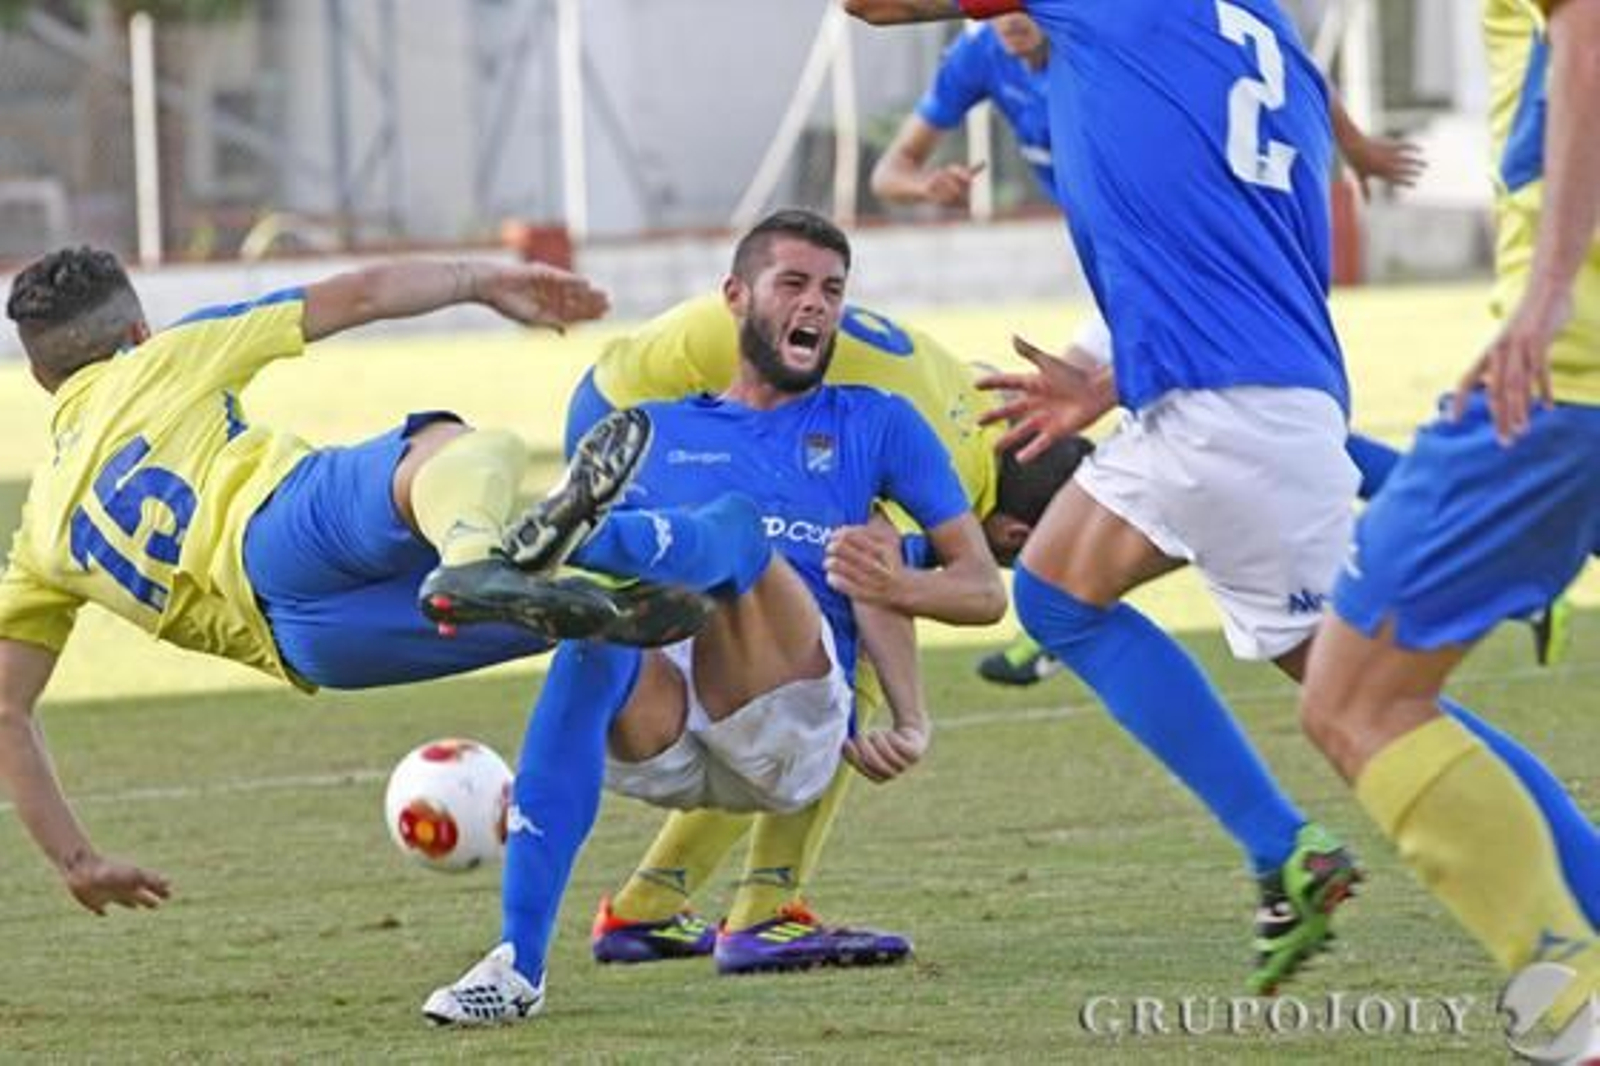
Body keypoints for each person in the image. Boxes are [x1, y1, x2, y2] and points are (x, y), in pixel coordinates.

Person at [844, 0, 1600, 995]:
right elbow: (1212, 225)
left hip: (1235, 422)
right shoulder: (1264, 26)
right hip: (1225, 394)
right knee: (1059, 594)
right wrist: (1119, 376)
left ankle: (1559, 920)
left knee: (1373, 699)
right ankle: (1280, 845)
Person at [0, 247, 718, 914]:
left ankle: (526, 578)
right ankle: (474, 557)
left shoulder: (41, 534)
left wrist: (76, 861)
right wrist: (482, 282)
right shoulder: (164, 357)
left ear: (39, 376)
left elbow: (7, 710)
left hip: (313, 647)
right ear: (137, 331)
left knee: (615, 615)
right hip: (280, 525)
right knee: (451, 447)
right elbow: (364, 293)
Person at [421, 208, 1007, 1025]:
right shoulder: (657, 431)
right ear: (736, 296)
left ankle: (569, 534)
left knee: (735, 534)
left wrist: (908, 693)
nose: (818, 305)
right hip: (666, 735)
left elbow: (983, 589)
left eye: (833, 290)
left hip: (788, 724)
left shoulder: (876, 422)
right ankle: (515, 967)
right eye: (794, 283)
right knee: (594, 640)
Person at [869, 9, 1439, 689]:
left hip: (1178, 264)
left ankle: (1459, 509)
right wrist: (926, 187)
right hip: (1168, 277)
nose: (1012, 21)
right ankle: (1074, 594)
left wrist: (1357, 145)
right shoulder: (992, 56)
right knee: (1062, 570)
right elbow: (890, 171)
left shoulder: (1118, 23)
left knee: (1363, 704)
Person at [565, 290, 1092, 973]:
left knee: (803, 650)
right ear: (1017, 534)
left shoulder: (976, 410)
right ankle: (765, 911)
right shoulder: (951, 473)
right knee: (831, 666)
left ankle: (647, 908)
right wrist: (911, 722)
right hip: (643, 418)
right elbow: (870, 573)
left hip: (626, 393)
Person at [1298, 0, 1600, 1033]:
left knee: (1356, 696)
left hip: (1568, 376)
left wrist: (1549, 291)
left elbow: (1589, 37)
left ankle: (1575, 1001)